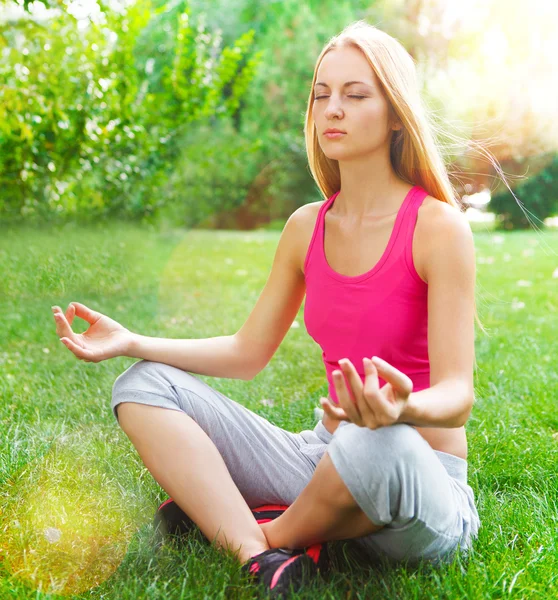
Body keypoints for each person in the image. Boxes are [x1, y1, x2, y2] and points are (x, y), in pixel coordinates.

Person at [52, 20, 483, 599]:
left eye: (355, 96)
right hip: (321, 458)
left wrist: (401, 408)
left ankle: (259, 530)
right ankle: (264, 559)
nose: (332, 109)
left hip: (417, 482)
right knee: (142, 385)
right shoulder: (306, 227)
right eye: (321, 95)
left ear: (395, 114)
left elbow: (458, 397)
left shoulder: (438, 229)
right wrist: (132, 341)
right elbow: (246, 352)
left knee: (373, 440)